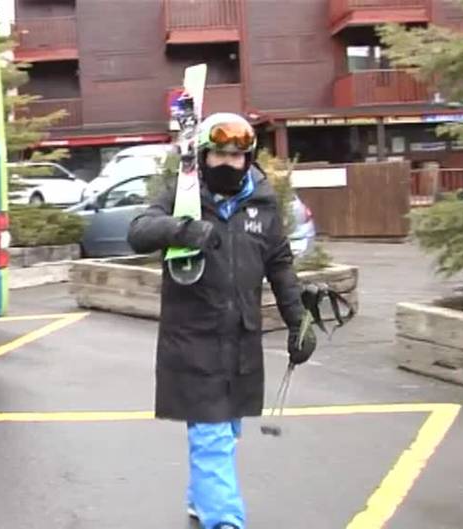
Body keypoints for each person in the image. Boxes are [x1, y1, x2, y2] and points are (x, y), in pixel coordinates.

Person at [127, 113, 317, 529]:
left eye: (236, 156)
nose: (228, 163)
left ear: (248, 159)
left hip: (240, 339)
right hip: (193, 338)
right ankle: (224, 519)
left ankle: (202, 498)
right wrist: (185, 230)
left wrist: (298, 321)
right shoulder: (183, 196)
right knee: (211, 433)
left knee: (226, 428)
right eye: (219, 155)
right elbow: (139, 231)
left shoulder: (262, 205)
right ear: (203, 156)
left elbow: (280, 265)